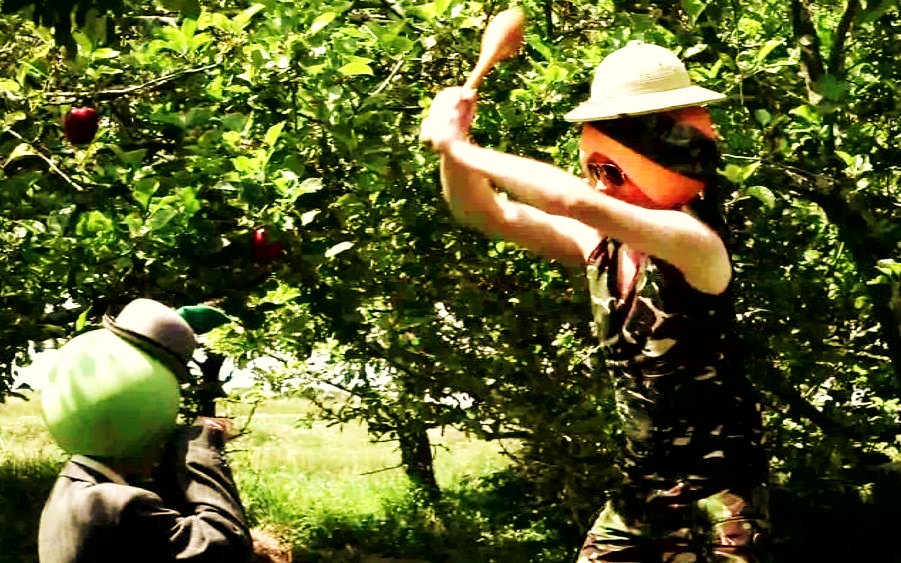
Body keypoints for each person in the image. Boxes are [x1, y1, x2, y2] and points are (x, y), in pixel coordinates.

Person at [420, 41, 769, 561]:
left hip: (716, 499)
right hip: (640, 493)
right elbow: (485, 214)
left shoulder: (694, 243)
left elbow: (571, 200)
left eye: (615, 167)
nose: (601, 180)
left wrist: (463, 148)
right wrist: (455, 148)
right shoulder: (600, 246)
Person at [38, 298, 253, 563]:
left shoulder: (71, 487)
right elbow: (227, 546)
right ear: (145, 419)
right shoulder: (117, 505)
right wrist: (200, 449)